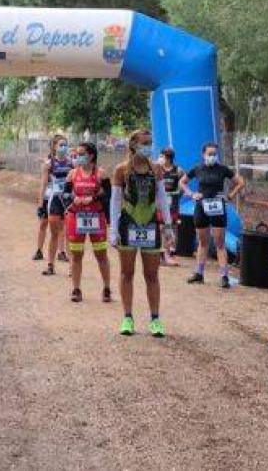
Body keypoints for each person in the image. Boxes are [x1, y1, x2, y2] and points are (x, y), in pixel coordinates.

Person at [111, 128, 171, 337]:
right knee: (127, 273)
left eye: (150, 143)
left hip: (150, 224)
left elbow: (162, 198)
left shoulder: (157, 169)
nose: (149, 146)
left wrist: (168, 225)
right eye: (145, 143)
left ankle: (155, 319)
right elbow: (115, 201)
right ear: (134, 145)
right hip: (128, 224)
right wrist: (113, 230)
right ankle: (127, 317)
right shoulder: (121, 170)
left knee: (152, 274)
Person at [182, 142, 246, 289]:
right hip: (201, 207)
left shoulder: (223, 169)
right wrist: (191, 194)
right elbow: (182, 182)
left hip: (218, 207)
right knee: (203, 242)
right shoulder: (197, 168)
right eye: (209, 154)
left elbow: (240, 182)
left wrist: (229, 196)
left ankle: (224, 276)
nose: (212, 156)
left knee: (220, 243)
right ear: (203, 154)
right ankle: (199, 273)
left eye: (214, 154)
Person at [64, 141, 112, 303]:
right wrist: (73, 198)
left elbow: (108, 195)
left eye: (81, 154)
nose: (77, 157)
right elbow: (65, 194)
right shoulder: (72, 174)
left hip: (96, 217)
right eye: (77, 154)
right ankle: (76, 289)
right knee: (76, 255)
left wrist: (93, 198)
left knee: (101, 254)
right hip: (76, 217)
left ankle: (106, 288)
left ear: (91, 155)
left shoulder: (101, 174)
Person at [38, 134, 73, 273]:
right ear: (54, 147)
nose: (63, 147)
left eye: (65, 145)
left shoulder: (72, 163)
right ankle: (50, 265)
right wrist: (41, 205)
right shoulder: (49, 164)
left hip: (69, 201)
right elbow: (43, 185)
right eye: (61, 145)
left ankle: (72, 267)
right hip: (55, 201)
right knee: (54, 234)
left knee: (69, 234)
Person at [158, 148, 182, 266]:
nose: (160, 158)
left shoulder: (178, 170)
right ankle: (163, 254)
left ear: (168, 158)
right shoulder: (158, 169)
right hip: (161, 204)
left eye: (162, 156)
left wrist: (177, 195)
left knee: (172, 228)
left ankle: (171, 252)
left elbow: (183, 184)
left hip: (173, 204)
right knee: (162, 227)